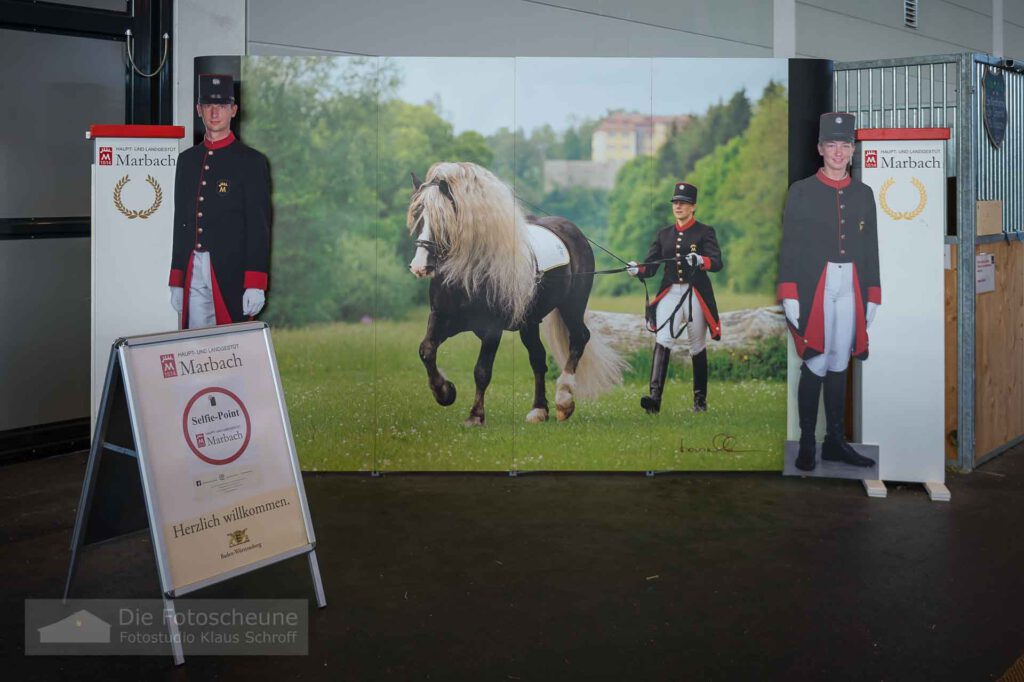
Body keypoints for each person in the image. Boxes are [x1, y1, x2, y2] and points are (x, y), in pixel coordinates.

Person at [778, 112, 880, 472]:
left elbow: (871, 248)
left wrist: (873, 293)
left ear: (853, 150)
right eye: (832, 145)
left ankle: (834, 442)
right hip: (813, 285)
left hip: (851, 283)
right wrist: (789, 290)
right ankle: (808, 440)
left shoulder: (864, 194)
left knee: (840, 362)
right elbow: (789, 245)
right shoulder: (801, 191)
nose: (839, 152)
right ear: (820, 148)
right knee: (816, 362)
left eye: (845, 145)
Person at [169, 73, 271, 329]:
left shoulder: (251, 161)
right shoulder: (187, 160)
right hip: (194, 267)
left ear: (233, 110)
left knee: (231, 347)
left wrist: (255, 282)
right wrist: (177, 278)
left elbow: (259, 227)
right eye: (208, 106)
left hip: (231, 271)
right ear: (199, 110)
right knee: (195, 344)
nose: (215, 113)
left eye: (223, 106)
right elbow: (181, 221)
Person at [627, 182, 722, 413]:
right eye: (675, 202)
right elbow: (651, 267)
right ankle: (654, 399)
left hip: (695, 294)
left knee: (697, 345)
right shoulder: (663, 235)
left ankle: (700, 402)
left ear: (693, 206)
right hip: (670, 293)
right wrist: (637, 269)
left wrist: (701, 261)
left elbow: (717, 263)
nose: (678, 206)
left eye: (683, 202)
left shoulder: (704, 231)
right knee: (663, 339)